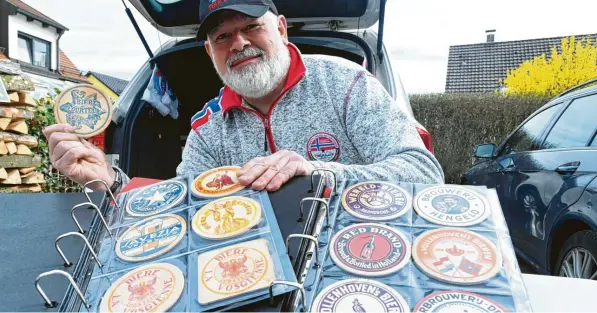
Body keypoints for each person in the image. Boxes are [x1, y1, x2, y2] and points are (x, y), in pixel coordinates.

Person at [43, 0, 444, 195]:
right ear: (210, 52)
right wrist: (109, 183)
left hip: (353, 262)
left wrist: (319, 172)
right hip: (247, 274)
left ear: (282, 30)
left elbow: (423, 175)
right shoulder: (206, 128)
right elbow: (183, 207)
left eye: (252, 27)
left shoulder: (348, 83)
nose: (239, 43)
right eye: (222, 37)